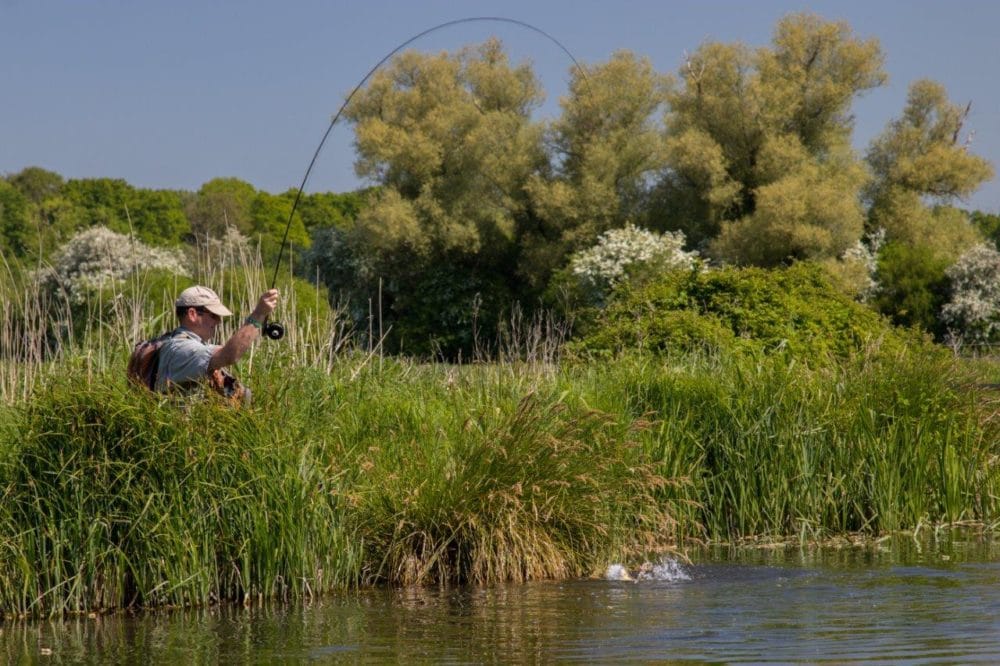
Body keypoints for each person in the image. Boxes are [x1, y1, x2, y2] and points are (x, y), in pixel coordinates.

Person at [155, 285, 280, 400]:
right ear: (192, 314)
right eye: (214, 315)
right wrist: (259, 314)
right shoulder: (182, 348)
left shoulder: (186, 344)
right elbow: (229, 355)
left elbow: (226, 350)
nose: (219, 321)